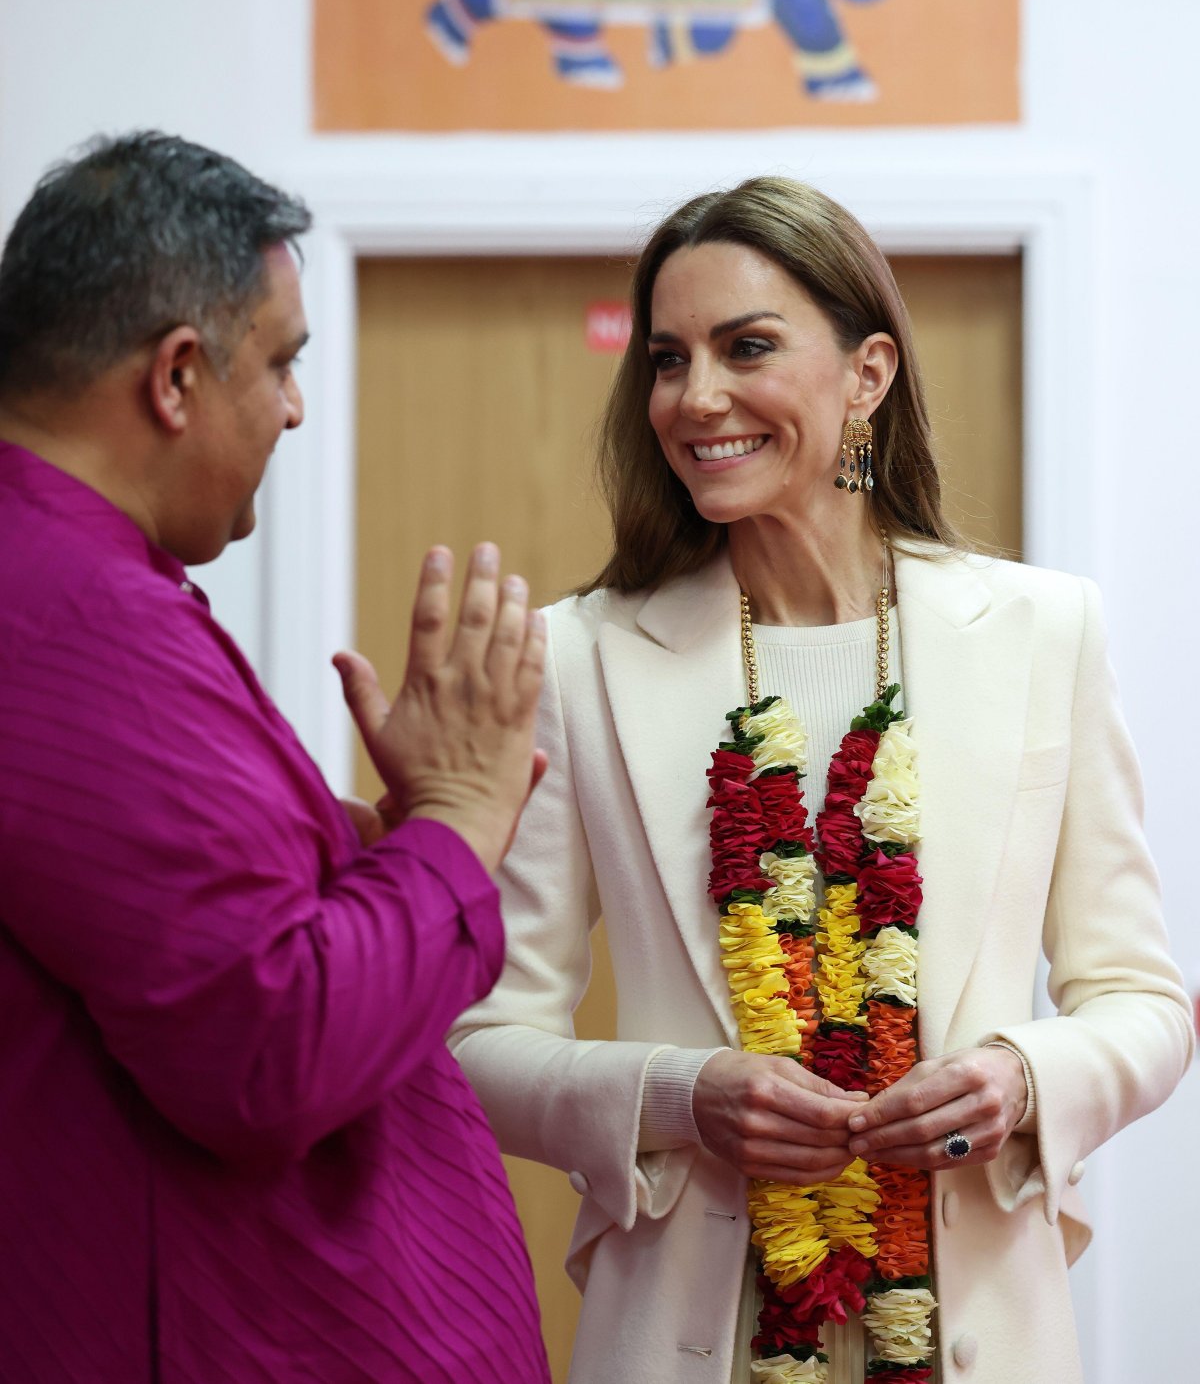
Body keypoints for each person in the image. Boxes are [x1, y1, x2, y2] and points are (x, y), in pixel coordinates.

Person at [448, 176, 1193, 1384]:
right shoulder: (579, 657)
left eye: (747, 348)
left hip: (980, 1335)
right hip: (687, 1338)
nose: (696, 399)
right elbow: (480, 1044)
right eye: (667, 358)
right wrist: (681, 1097)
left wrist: (1020, 1077)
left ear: (868, 374)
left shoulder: (1044, 632)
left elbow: (1144, 1005)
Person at [0, 133, 550, 1383]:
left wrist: (375, 847)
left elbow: (169, 941)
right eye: (284, 362)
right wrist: (458, 824)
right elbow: (267, 1049)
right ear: (178, 376)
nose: (295, 406)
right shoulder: (72, 613)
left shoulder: (81, 577)